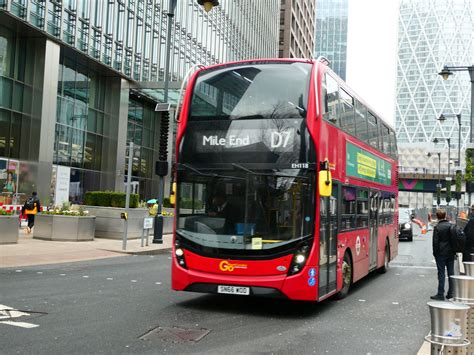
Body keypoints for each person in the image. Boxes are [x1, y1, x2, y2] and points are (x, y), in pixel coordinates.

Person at [431, 209, 455, 300]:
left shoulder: (437, 227)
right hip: (450, 252)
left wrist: (435, 253)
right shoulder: (451, 226)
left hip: (441, 253)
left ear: (437, 216)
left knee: (441, 273)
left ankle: (440, 293)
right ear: (445, 215)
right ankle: (451, 293)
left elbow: (435, 242)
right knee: (451, 273)